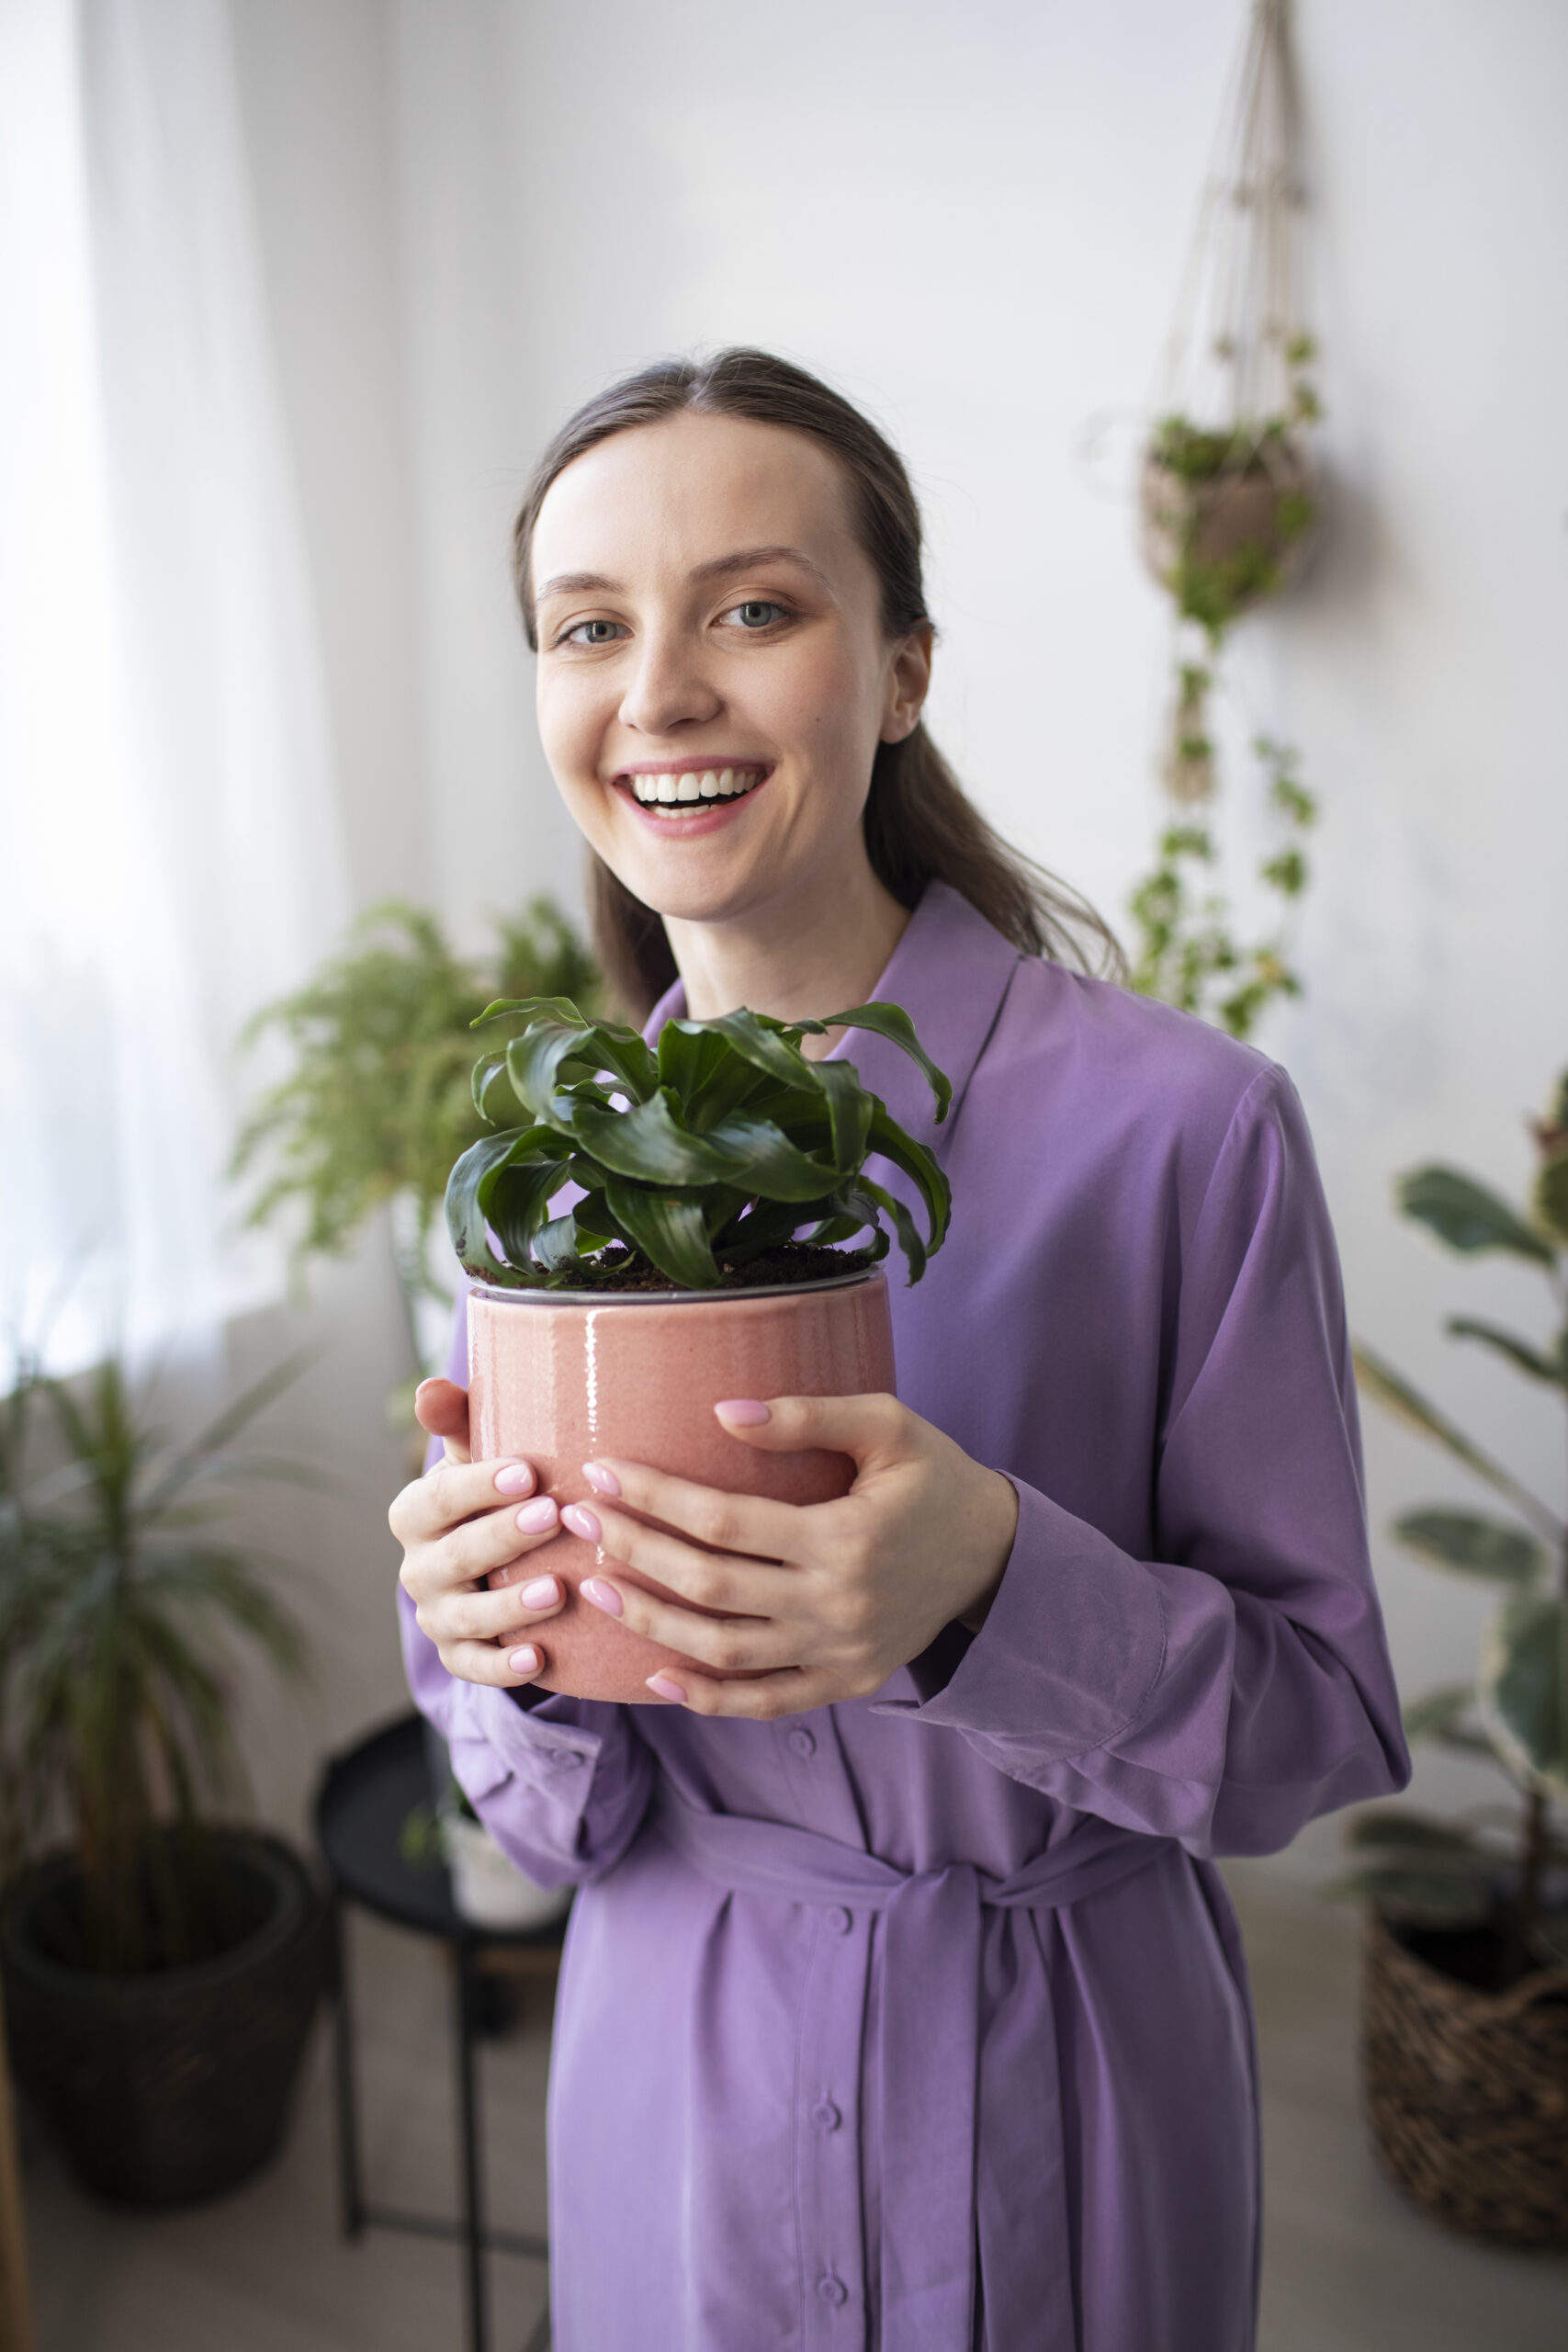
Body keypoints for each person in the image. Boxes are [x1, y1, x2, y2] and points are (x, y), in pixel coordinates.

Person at [390, 349, 1409, 2352]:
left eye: (752, 607)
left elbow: (1316, 1724)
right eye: (587, 626)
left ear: (904, 666)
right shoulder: (533, 1187)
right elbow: (539, 1826)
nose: (660, 686)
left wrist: (991, 1589)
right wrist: (492, 1641)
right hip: (670, 2104)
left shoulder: (1182, 1131)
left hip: (1073, 2089)